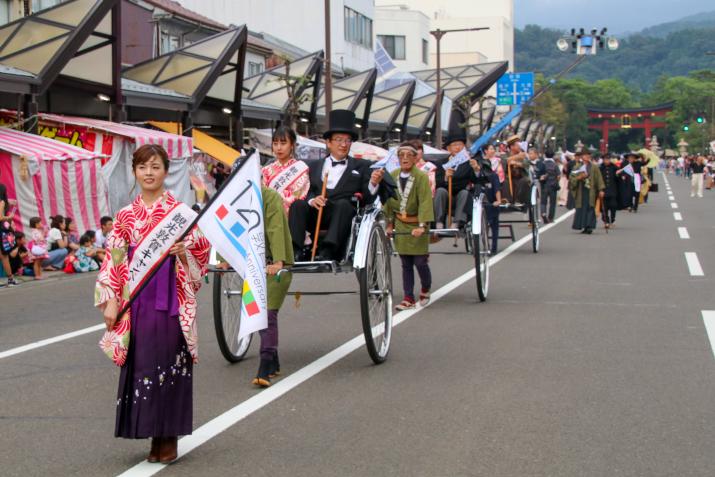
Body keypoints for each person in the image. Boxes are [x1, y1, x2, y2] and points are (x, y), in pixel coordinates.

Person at [95, 144, 210, 464]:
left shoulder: (180, 213)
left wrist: (185, 249)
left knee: (170, 362)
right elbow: (114, 259)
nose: (149, 172)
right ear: (134, 171)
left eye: (155, 166)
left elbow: (202, 251)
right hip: (137, 301)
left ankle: (168, 437)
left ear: (165, 171)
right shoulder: (124, 216)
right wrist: (110, 301)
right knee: (143, 364)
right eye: (143, 166)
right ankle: (150, 434)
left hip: (171, 297)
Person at [288, 110, 385, 261]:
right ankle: (296, 249)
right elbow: (306, 191)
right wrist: (312, 200)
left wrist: (373, 182)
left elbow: (367, 197)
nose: (343, 144)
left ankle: (328, 250)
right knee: (298, 205)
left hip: (342, 215)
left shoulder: (361, 166)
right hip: (316, 212)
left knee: (343, 205)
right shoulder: (313, 166)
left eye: (347, 141)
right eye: (339, 140)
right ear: (328, 142)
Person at [252, 186, 294, 387]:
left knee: (267, 313)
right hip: (251, 265)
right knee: (256, 312)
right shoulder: (235, 197)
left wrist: (278, 261)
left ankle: (265, 364)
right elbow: (228, 228)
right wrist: (222, 259)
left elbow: (275, 227)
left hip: (275, 263)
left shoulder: (270, 197)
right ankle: (274, 361)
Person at [384, 143, 434, 310]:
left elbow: (425, 201)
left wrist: (422, 225)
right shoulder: (392, 175)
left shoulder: (421, 176)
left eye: (408, 155)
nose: (404, 158)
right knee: (405, 263)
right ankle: (408, 297)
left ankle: (426, 288)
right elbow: (388, 202)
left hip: (417, 223)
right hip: (401, 223)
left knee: (420, 262)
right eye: (401, 155)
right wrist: (389, 224)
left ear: (415, 158)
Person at [261, 126, 310, 214]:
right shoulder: (266, 170)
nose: (278, 148)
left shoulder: (300, 168)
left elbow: (297, 195)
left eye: (283, 143)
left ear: (292, 145)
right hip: (267, 213)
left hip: (290, 215)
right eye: (275, 143)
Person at [437, 134, 474, 229]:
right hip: (446, 194)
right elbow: (437, 181)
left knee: (464, 193)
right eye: (455, 145)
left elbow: (474, 179)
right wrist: (445, 177)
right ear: (448, 148)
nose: (458, 147)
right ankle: (439, 222)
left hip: (460, 195)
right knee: (440, 191)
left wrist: (476, 169)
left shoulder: (468, 163)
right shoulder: (441, 163)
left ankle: (457, 222)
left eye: (460, 144)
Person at [569, 150, 605, 234]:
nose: (587, 157)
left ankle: (589, 226)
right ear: (581, 157)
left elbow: (599, 179)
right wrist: (579, 178)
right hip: (581, 190)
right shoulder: (577, 167)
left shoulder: (594, 167)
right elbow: (572, 179)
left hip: (591, 190)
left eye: (588, 155)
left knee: (590, 207)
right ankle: (583, 226)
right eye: (585, 155)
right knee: (581, 208)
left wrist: (601, 189)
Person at [502, 135, 531, 205]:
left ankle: (519, 200)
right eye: (518, 145)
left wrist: (517, 163)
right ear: (511, 147)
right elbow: (504, 162)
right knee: (505, 181)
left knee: (524, 181)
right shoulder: (504, 155)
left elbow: (527, 164)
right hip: (509, 177)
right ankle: (507, 200)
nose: (520, 146)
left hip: (521, 177)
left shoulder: (523, 155)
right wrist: (515, 158)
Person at [0, 189, 19, 286]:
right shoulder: (2, 201)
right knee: (4, 256)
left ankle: (10, 278)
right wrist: (9, 217)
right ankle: (10, 279)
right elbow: (0, 217)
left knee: (3, 256)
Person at [536, 148, 560, 224]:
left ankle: (543, 213)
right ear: (553, 156)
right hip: (553, 185)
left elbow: (538, 174)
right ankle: (551, 218)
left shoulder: (542, 164)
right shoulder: (555, 165)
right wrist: (556, 181)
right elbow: (559, 175)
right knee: (552, 203)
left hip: (544, 185)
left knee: (543, 201)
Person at [599, 153, 619, 229]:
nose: (607, 161)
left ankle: (612, 219)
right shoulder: (600, 168)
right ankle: (606, 221)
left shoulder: (614, 167)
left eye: (608, 159)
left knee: (613, 206)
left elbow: (619, 177)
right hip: (603, 190)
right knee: (604, 207)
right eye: (605, 159)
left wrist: (619, 175)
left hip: (613, 190)